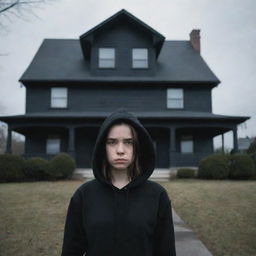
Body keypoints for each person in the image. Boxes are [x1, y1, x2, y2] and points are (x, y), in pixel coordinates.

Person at [61, 109, 176, 256]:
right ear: (103, 147)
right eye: (112, 142)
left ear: (138, 147)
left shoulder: (157, 196)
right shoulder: (84, 196)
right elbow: (71, 251)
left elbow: (166, 252)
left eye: (129, 142)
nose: (120, 150)